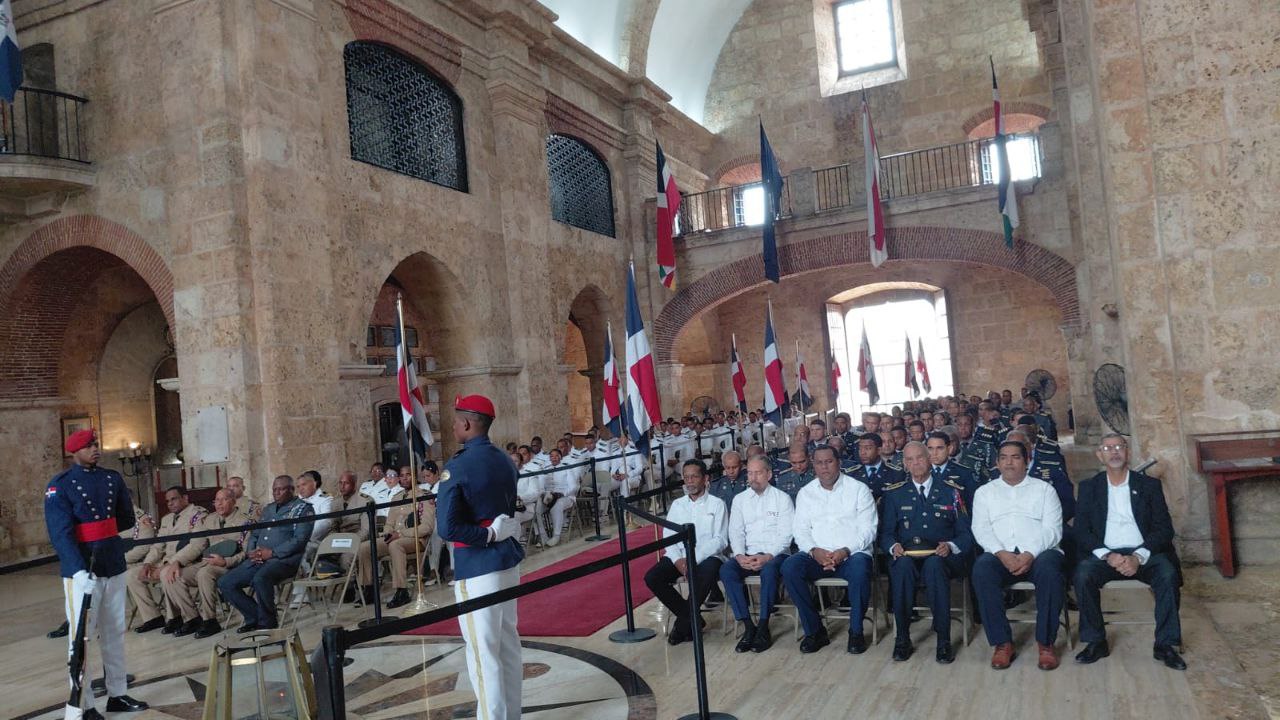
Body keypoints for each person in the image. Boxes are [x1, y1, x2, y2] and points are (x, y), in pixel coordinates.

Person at [45, 429, 149, 720]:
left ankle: (117, 694)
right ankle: (85, 704)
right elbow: (60, 534)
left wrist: (103, 536)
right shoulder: (60, 485)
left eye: (95, 444)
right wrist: (77, 570)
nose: (95, 449)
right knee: (81, 639)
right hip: (82, 569)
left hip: (112, 562)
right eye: (88, 445)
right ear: (73, 452)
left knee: (115, 631)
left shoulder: (112, 478)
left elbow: (126, 518)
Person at [436, 394, 525, 720]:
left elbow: (447, 527)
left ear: (469, 424)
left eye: (457, 420)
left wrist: (485, 535)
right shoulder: (504, 459)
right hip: (507, 561)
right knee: (507, 646)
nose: (454, 425)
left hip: (478, 566)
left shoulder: (458, 467)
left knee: (482, 652)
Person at [1073, 434, 1186, 670]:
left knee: (1166, 573)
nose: (1114, 452)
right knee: (1083, 575)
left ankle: (1165, 644)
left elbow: (1164, 529)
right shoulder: (1089, 487)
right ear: (1100, 455)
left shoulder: (1148, 486)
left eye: (1119, 447)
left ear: (1128, 452)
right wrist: (1108, 555)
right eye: (1107, 448)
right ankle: (1096, 641)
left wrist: (1137, 556)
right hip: (1106, 555)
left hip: (1144, 553)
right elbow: (1082, 531)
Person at [970, 441, 1066, 671]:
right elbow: (981, 529)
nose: (1009, 462)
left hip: (1039, 553)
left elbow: (1052, 530)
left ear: (1027, 461)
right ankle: (1002, 643)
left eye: (1015, 457)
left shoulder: (1044, 490)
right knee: (981, 569)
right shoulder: (984, 492)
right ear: (997, 463)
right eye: (1004, 458)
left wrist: (1029, 554)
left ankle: (1045, 643)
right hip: (1000, 554)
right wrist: (1002, 554)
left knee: (1051, 571)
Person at [880, 442, 972, 664]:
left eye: (919, 458)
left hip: (942, 557)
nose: (915, 464)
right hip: (907, 557)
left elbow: (966, 534)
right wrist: (894, 547)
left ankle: (943, 640)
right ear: (904, 464)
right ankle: (902, 638)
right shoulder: (895, 494)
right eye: (910, 460)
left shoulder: (952, 491)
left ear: (929, 458)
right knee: (900, 568)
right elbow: (885, 534)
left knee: (934, 566)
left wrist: (950, 545)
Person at [782, 445, 878, 655]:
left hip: (851, 555)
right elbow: (800, 530)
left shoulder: (858, 489)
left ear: (839, 462)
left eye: (829, 461)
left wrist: (845, 551)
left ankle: (856, 632)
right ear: (813, 465)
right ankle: (815, 631)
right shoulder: (806, 493)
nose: (824, 467)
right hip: (817, 556)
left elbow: (868, 530)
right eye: (819, 463)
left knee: (861, 568)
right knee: (789, 567)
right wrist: (814, 550)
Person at [644, 459, 728, 646]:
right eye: (686, 477)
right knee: (652, 577)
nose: (690, 482)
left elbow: (720, 539)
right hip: (679, 556)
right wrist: (678, 560)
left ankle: (682, 624)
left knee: (704, 574)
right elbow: (669, 536)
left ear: (705, 478)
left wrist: (692, 559)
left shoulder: (717, 504)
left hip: (707, 556)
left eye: (694, 477)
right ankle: (692, 618)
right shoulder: (678, 505)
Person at [216, 475, 315, 632]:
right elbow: (255, 534)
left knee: (260, 579)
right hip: (258, 558)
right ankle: (255, 616)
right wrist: (251, 552)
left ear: (291, 489)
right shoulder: (268, 509)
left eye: (280, 489)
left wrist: (273, 553)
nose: (276, 493)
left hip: (284, 561)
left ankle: (267, 622)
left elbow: (300, 540)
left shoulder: (303, 509)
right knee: (225, 582)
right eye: (274, 489)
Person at [720, 456, 793, 653]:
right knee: (727, 570)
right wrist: (739, 555)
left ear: (768, 474)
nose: (753, 477)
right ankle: (748, 626)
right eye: (750, 473)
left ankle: (763, 626)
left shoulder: (782, 499)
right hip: (747, 554)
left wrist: (768, 556)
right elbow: (735, 532)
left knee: (769, 571)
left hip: (775, 554)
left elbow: (786, 535)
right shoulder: (740, 500)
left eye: (758, 472)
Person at [163, 488, 253, 638]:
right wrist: (176, 561)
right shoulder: (209, 520)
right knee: (171, 574)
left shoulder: (245, 520)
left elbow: (246, 552)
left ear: (234, 501)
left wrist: (225, 561)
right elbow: (198, 545)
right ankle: (193, 618)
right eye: (216, 500)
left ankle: (210, 621)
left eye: (224, 500)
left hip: (231, 566)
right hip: (206, 563)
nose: (219, 504)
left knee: (205, 574)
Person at [127, 485, 207, 634]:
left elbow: (198, 545)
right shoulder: (167, 519)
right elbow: (158, 546)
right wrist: (148, 563)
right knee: (132, 574)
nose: (170, 503)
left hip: (188, 563)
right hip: (165, 562)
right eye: (167, 500)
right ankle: (153, 618)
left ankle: (190, 618)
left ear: (185, 498)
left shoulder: (197, 515)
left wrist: (172, 563)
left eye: (174, 499)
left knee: (167, 574)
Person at [361, 471, 435, 609]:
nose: (405, 478)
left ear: (415, 476)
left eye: (408, 475)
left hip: (416, 539)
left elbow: (427, 527)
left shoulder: (424, 496)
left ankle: (402, 591)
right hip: (395, 538)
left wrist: (400, 534)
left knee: (395, 545)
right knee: (365, 548)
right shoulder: (397, 497)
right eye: (402, 475)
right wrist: (387, 533)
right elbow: (389, 523)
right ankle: (370, 588)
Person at [541, 448, 578, 546]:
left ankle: (556, 536)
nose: (554, 458)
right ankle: (543, 536)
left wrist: (561, 494)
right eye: (552, 456)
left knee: (556, 506)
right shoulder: (546, 470)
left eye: (556, 455)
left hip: (566, 496)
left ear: (561, 457)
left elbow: (574, 487)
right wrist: (546, 494)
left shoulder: (567, 468)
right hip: (549, 496)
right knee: (536, 509)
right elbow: (542, 486)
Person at [850, 433, 903, 500]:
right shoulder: (852, 474)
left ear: (879, 450)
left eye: (868, 448)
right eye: (860, 448)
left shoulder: (896, 473)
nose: (863, 452)